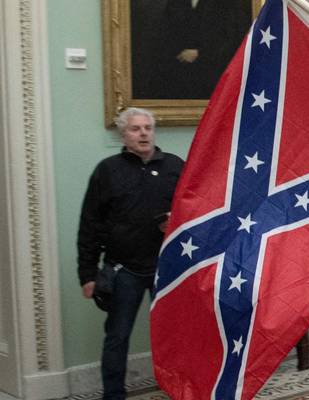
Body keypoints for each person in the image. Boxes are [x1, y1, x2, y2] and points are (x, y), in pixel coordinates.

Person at [78, 108, 183, 400]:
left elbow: (196, 210)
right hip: (124, 270)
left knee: (175, 336)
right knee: (117, 338)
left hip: (167, 268)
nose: (144, 133)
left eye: (148, 127)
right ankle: (113, 395)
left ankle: (181, 389)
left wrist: (176, 220)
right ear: (123, 134)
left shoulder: (175, 166)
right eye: (136, 129)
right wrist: (87, 274)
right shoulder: (107, 170)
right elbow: (90, 224)